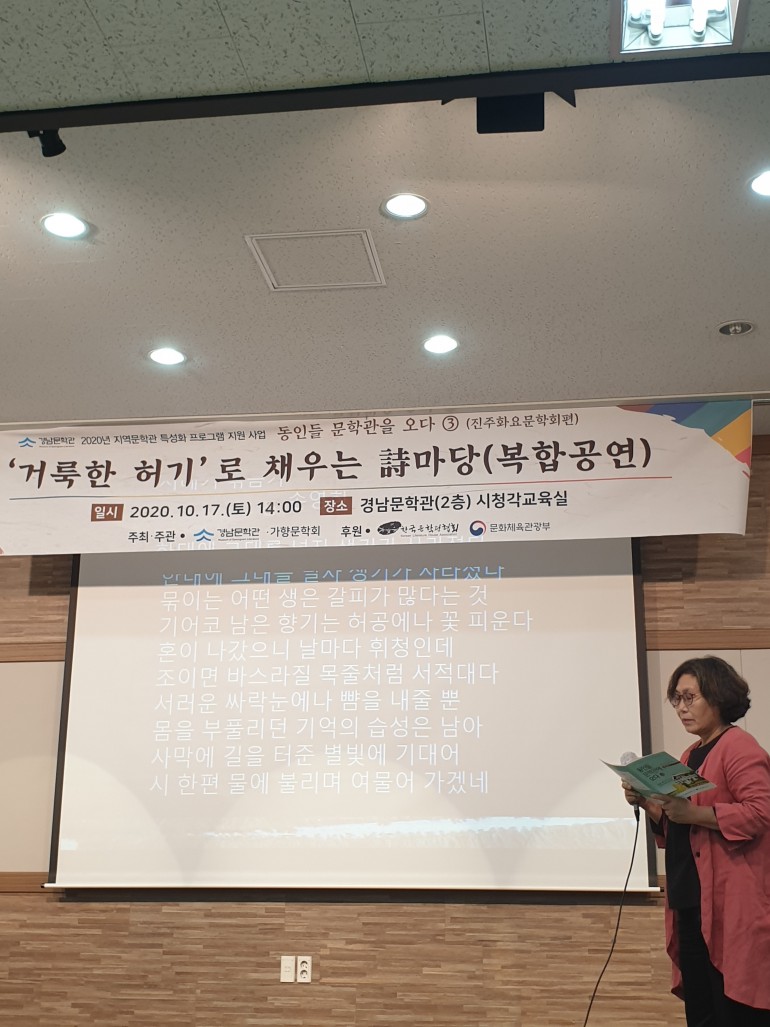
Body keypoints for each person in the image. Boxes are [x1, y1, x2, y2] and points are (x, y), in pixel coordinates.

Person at [623, 655, 770, 1026]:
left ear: (717, 696)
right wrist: (650, 805)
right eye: (676, 699)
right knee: (701, 1011)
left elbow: (760, 813)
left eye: (690, 697)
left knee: (733, 1010)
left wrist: (695, 814)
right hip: (690, 904)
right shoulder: (690, 754)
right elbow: (683, 826)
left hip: (728, 908)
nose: (681, 708)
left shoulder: (739, 747)